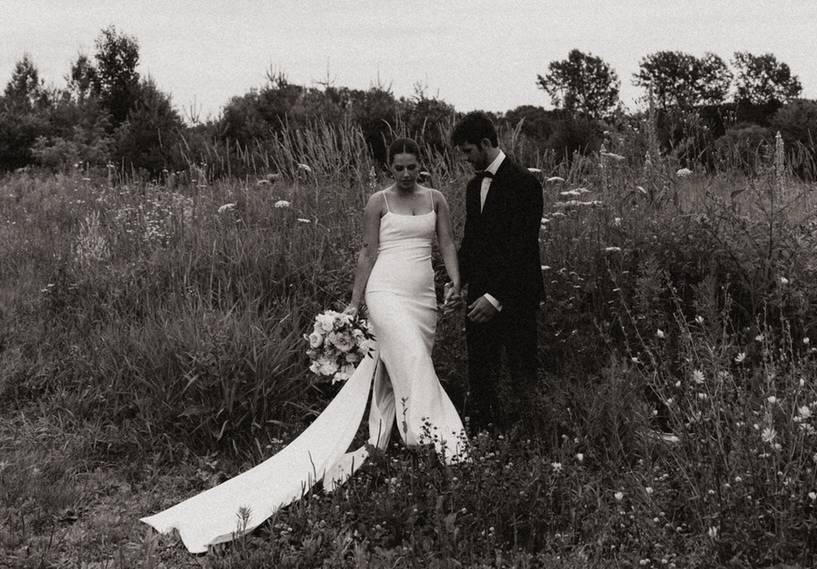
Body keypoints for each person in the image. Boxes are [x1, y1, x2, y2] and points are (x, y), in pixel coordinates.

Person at [140, 138, 467, 554]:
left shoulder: (436, 198)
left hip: (423, 298)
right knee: (415, 360)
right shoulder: (378, 201)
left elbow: (447, 245)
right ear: (389, 168)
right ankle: (440, 445)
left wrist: (454, 282)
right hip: (386, 294)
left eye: (412, 167)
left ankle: (390, 438)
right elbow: (368, 252)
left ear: (421, 166)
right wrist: (354, 302)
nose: (406, 174)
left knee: (403, 368)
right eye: (399, 167)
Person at [450, 111, 545, 432]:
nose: (465, 159)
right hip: (478, 296)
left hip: (515, 297)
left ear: (486, 143)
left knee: (522, 374)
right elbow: (472, 242)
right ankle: (483, 439)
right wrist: (457, 281)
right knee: (481, 374)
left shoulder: (525, 183)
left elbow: (523, 249)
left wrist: (496, 297)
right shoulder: (473, 186)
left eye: (468, 151)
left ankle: (533, 441)